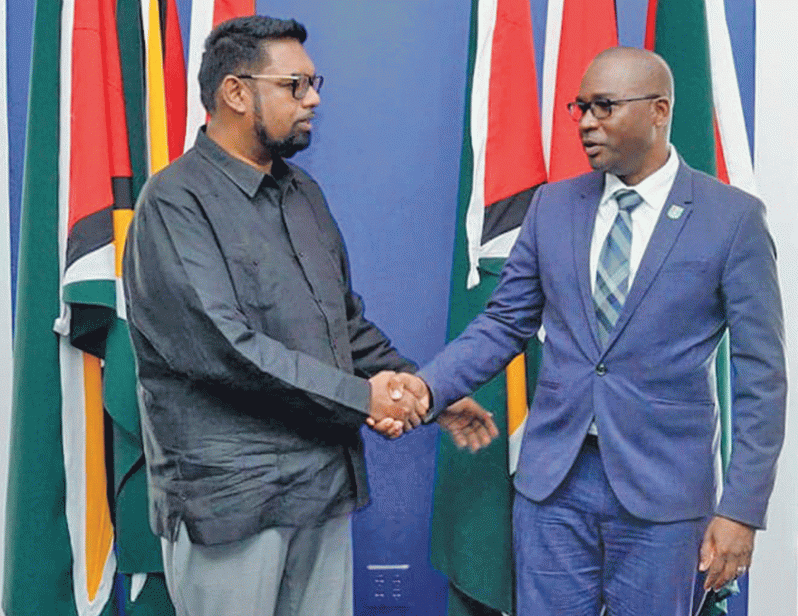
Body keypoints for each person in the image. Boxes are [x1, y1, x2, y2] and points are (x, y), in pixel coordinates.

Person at [122, 15, 497, 616]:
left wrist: (427, 392)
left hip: (321, 487)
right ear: (237, 93)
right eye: (294, 85)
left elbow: (342, 324)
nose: (314, 97)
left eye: (312, 81)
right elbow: (227, 350)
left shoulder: (303, 194)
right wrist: (365, 400)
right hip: (233, 503)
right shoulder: (173, 203)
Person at [396, 47, 786, 614]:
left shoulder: (732, 219)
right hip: (554, 486)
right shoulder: (553, 207)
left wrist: (742, 510)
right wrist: (427, 389)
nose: (584, 122)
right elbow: (504, 324)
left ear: (659, 110)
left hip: (665, 498)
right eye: (579, 107)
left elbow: (761, 376)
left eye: (603, 107)